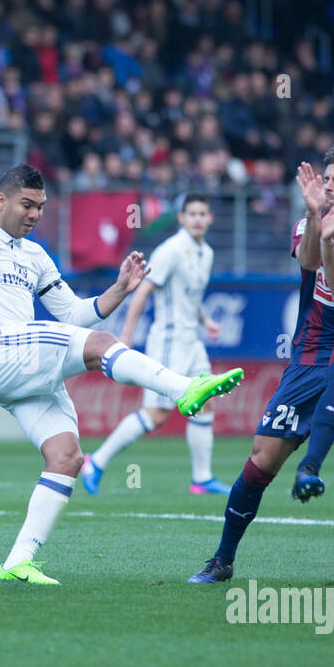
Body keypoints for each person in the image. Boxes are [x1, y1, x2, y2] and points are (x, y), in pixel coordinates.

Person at [0, 164, 242, 585]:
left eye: (41, 207)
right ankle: (185, 388)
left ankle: (17, 562)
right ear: (1, 200)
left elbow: (74, 313)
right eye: (27, 205)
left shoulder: (36, 255)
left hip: (26, 368)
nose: (34, 214)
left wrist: (119, 289)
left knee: (66, 457)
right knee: (99, 346)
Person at [188, 147, 334, 584]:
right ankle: (222, 560)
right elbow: (307, 263)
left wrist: (327, 240)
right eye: (325, 179)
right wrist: (317, 224)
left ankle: (311, 469)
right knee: (259, 461)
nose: (327, 187)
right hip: (306, 360)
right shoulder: (309, 223)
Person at [82, 193, 229, 496]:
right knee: (158, 415)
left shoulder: (207, 252)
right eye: (192, 214)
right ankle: (96, 461)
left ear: (210, 218)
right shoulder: (171, 250)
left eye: (203, 214)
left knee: (206, 401)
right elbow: (144, 290)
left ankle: (201, 478)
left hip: (192, 341)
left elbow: (189, 295)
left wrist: (205, 321)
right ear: (181, 218)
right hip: (169, 341)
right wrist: (127, 333)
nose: (198, 219)